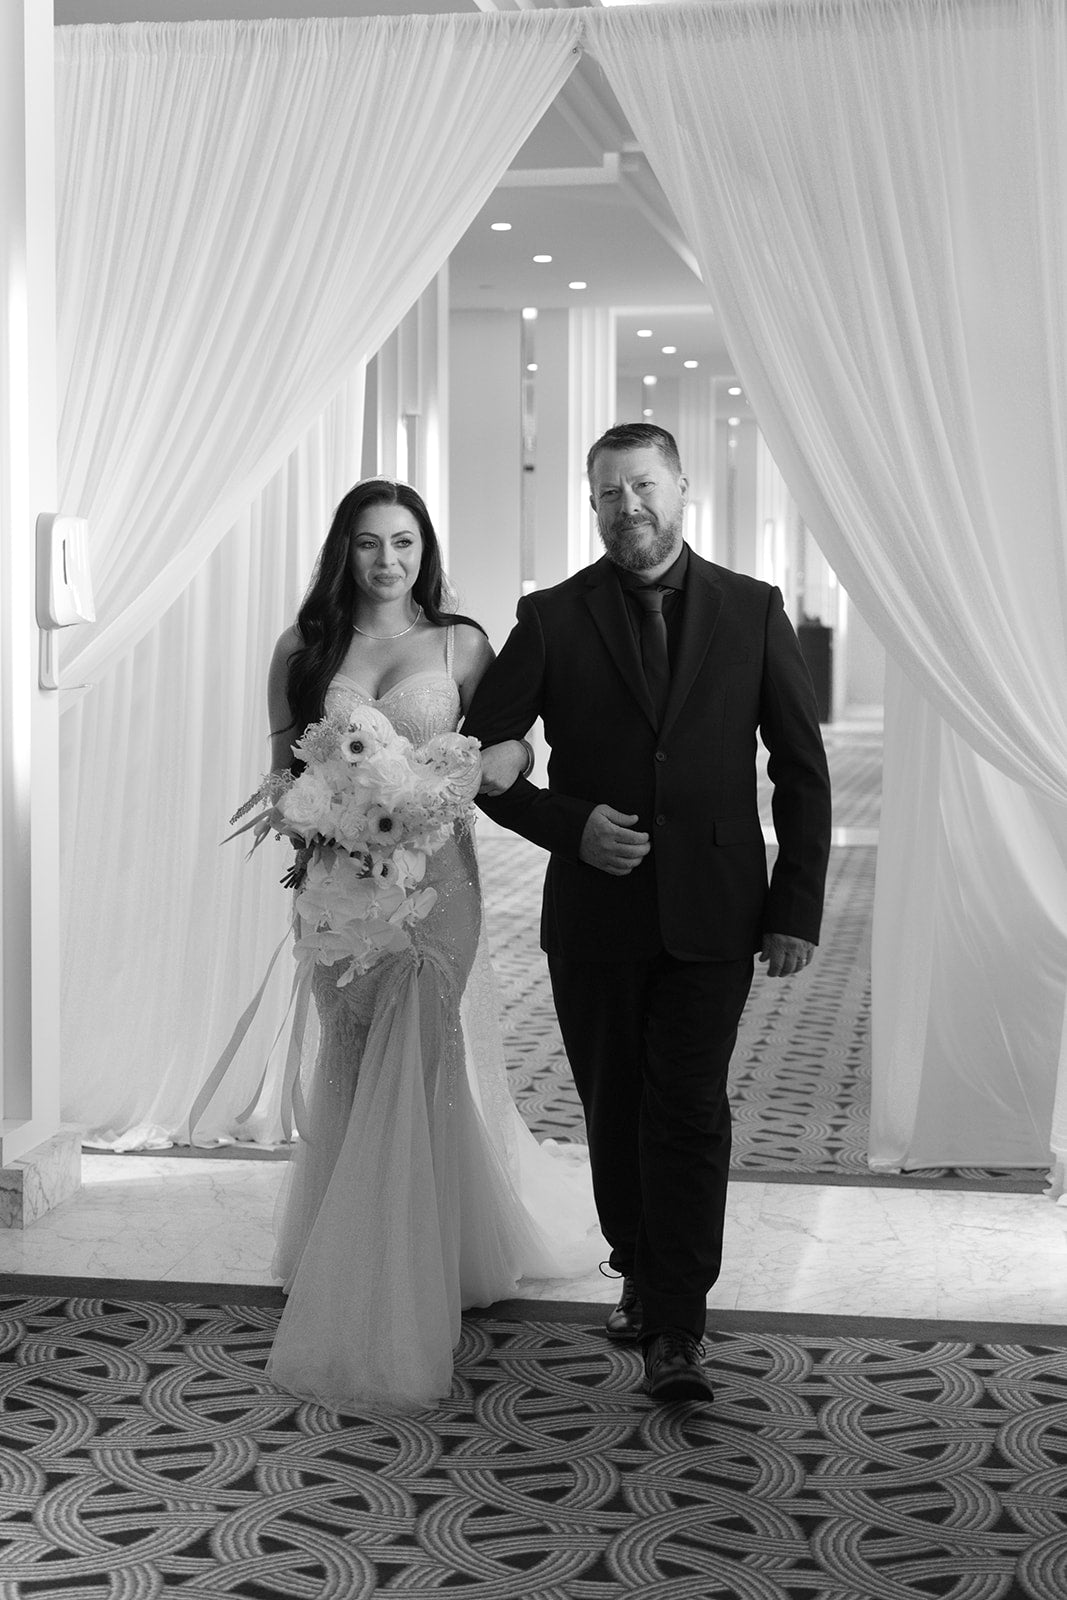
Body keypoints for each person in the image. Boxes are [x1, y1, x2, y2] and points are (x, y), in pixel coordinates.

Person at [465, 423, 832, 1403]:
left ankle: (676, 1322)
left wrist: (795, 902)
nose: (626, 506)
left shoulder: (752, 609)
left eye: (642, 486)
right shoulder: (550, 617)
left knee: (688, 1107)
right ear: (590, 505)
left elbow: (800, 769)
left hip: (716, 908)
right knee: (614, 1104)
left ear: (679, 489)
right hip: (595, 913)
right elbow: (479, 758)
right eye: (607, 493)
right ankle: (636, 1260)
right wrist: (568, 824)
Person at [261, 477, 599, 1412]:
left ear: (424, 549)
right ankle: (347, 1236)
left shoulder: (461, 643)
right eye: (369, 542)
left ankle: (406, 1259)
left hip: (437, 884)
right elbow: (281, 770)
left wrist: (494, 767)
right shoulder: (303, 647)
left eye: (403, 542)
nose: (387, 561)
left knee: (418, 1057)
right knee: (351, 1055)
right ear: (344, 550)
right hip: (338, 891)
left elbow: (508, 749)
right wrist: (315, 822)